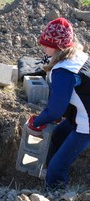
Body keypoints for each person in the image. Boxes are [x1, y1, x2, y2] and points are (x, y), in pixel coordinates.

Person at [27, 17, 90, 189]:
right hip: (80, 114)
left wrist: (37, 121)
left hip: (87, 123)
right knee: (58, 135)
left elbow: (55, 110)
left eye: (46, 44)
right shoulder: (77, 54)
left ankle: (55, 195)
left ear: (57, 47)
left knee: (57, 169)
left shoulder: (63, 71)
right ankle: (51, 168)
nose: (43, 47)